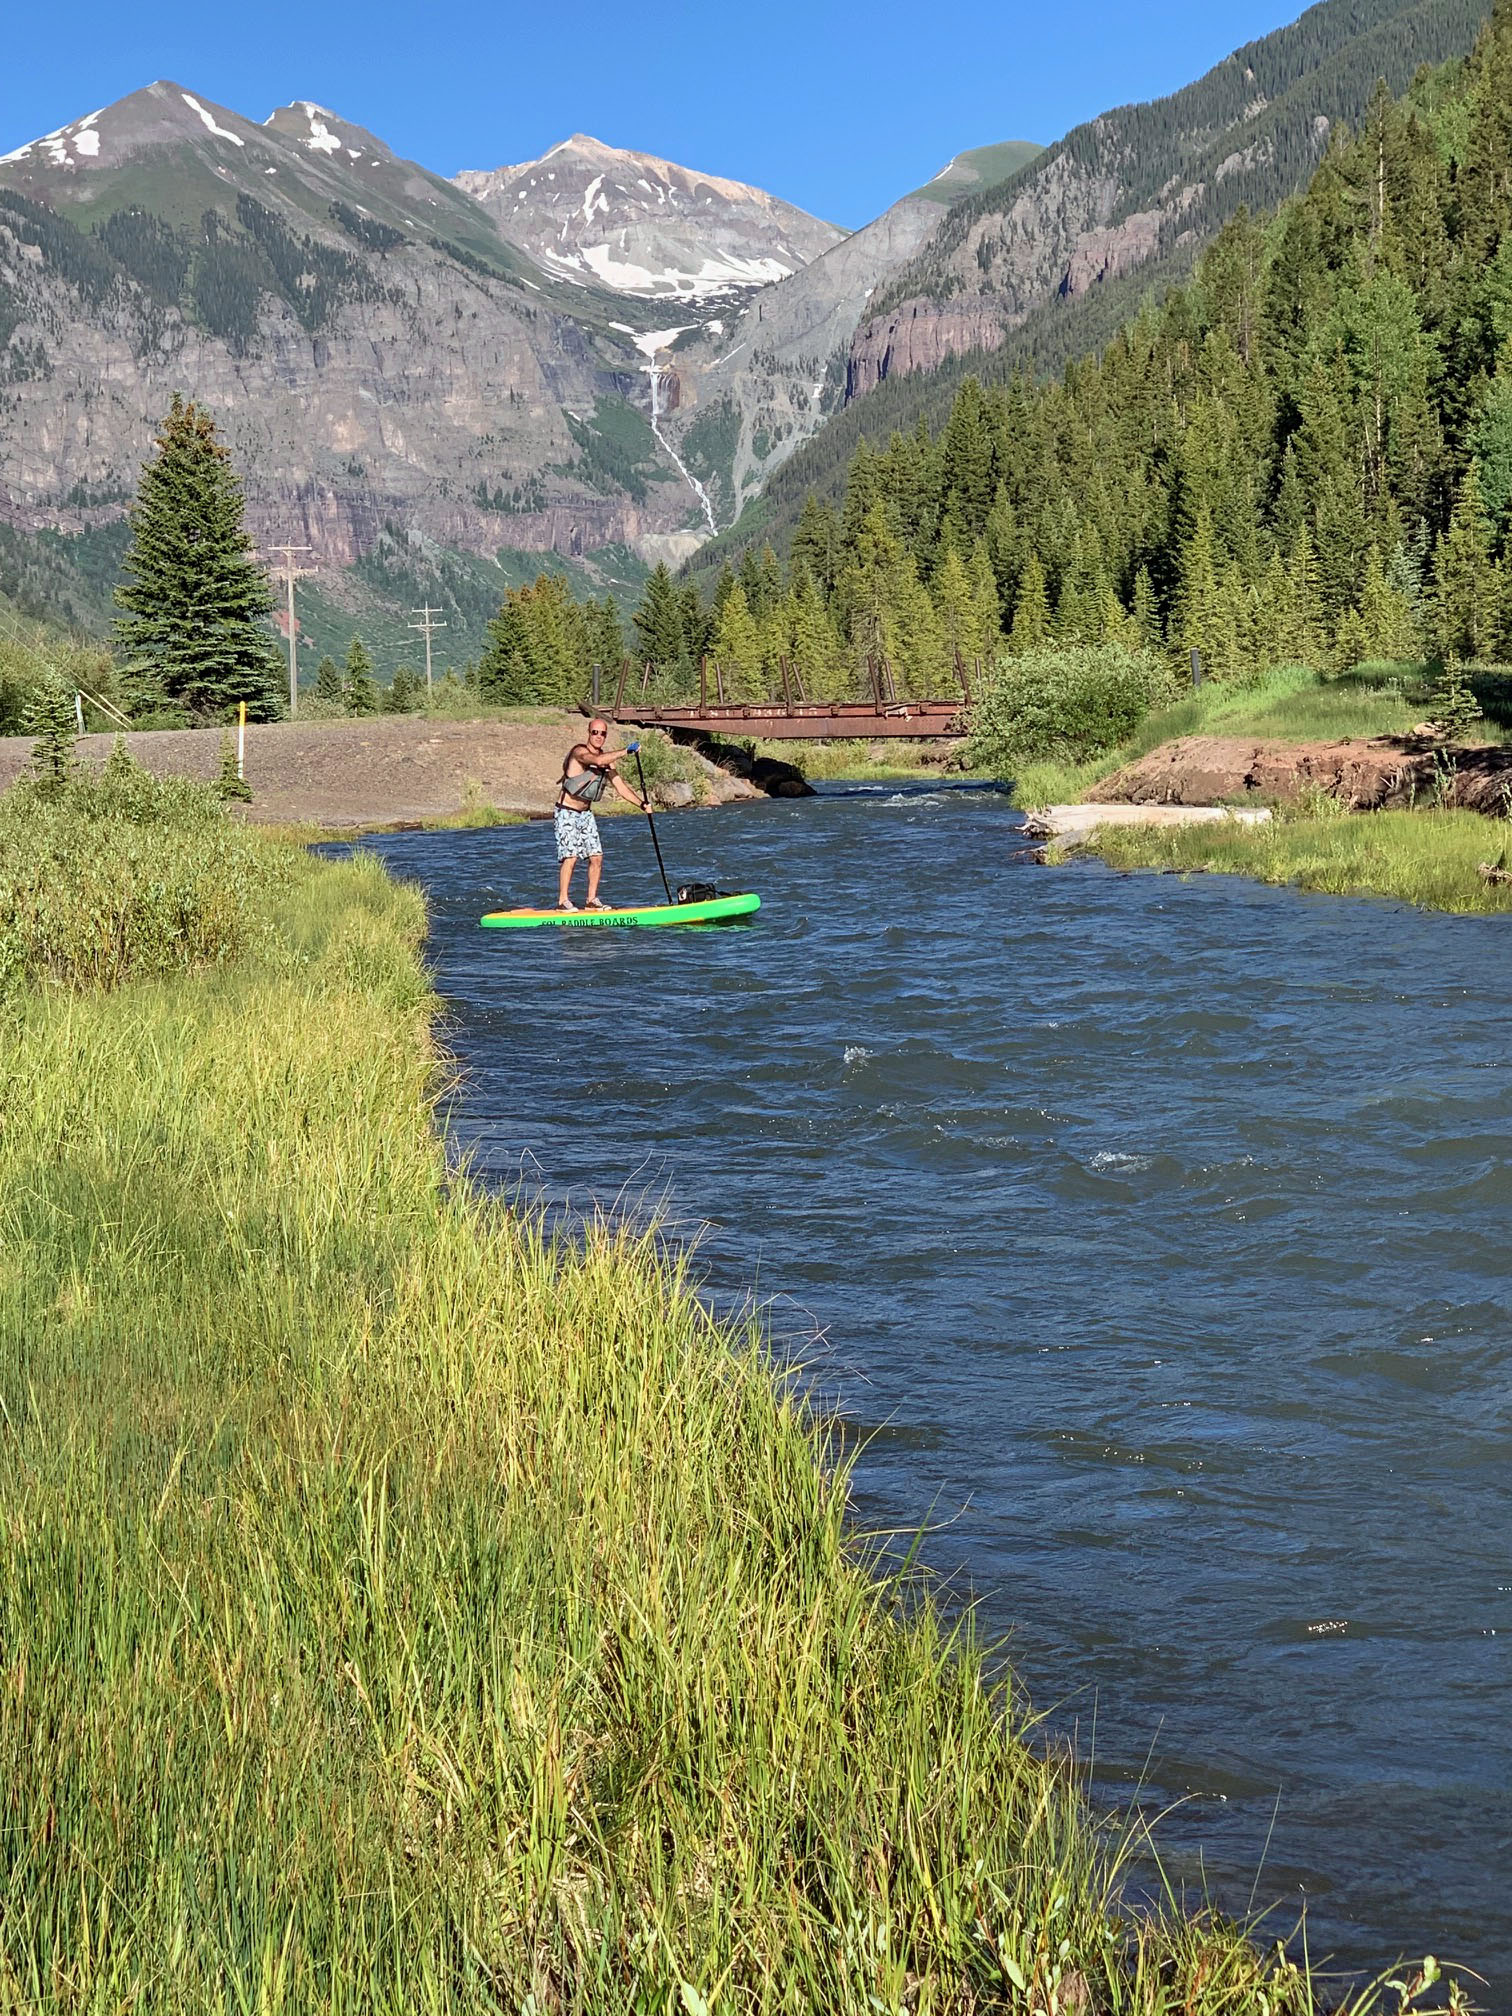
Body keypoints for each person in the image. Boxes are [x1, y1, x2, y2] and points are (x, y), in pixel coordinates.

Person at [553, 718, 651, 910]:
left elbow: (621, 787)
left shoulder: (608, 762)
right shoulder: (579, 752)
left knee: (596, 857)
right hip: (566, 812)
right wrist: (626, 751)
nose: (598, 736)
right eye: (595, 732)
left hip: (585, 814)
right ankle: (562, 901)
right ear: (589, 733)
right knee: (570, 857)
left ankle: (591, 900)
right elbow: (597, 760)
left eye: (602, 733)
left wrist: (641, 804)